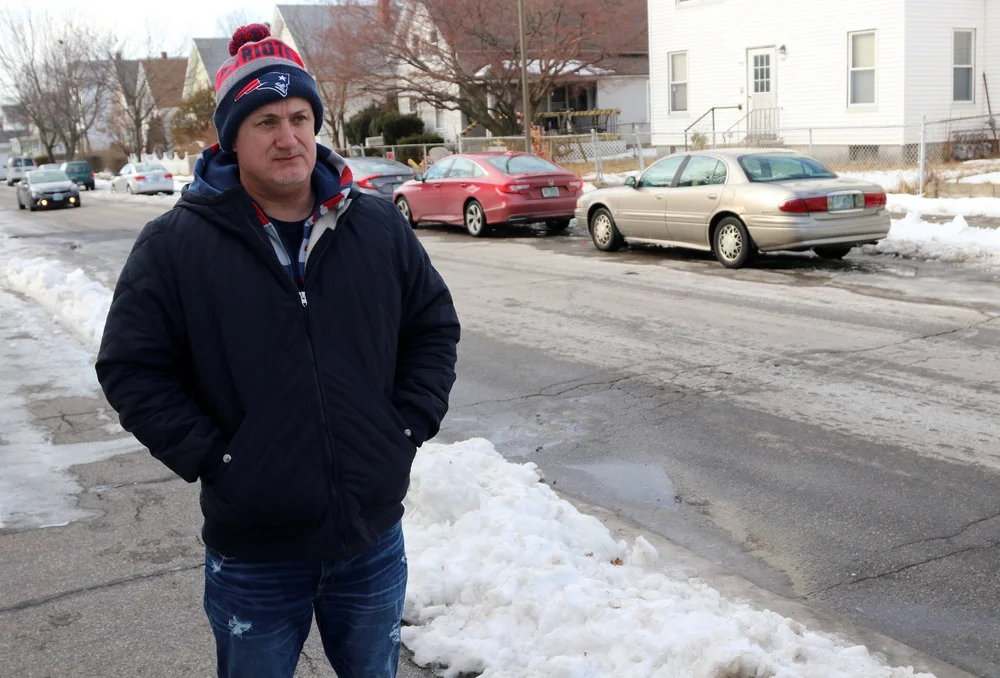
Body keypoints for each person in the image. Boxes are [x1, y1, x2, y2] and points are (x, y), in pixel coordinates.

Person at [96, 24, 460, 678]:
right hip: (254, 555)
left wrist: (404, 426)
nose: (288, 137)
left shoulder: (376, 227)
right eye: (265, 120)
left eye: (299, 117)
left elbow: (431, 324)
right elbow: (132, 369)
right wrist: (219, 457)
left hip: (369, 539)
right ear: (231, 137)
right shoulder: (175, 245)